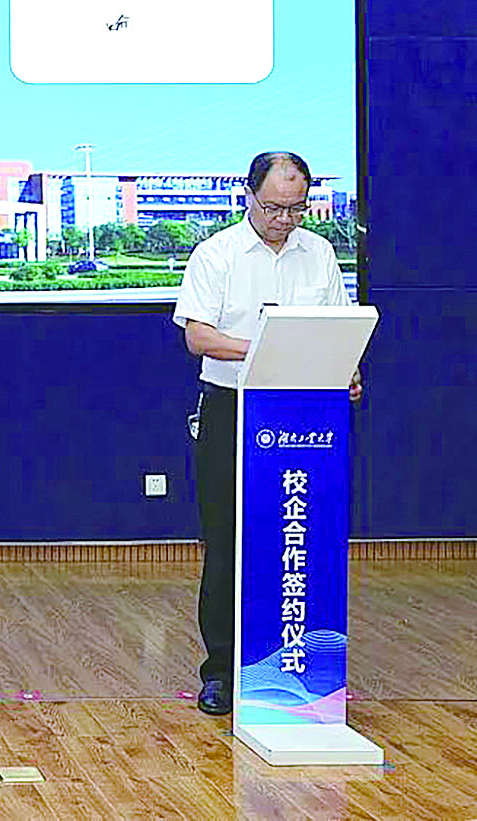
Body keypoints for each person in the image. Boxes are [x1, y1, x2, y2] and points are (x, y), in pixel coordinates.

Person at [172, 150, 360, 718]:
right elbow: (199, 337)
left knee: (299, 538)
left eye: (296, 208)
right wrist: (269, 346)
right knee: (228, 542)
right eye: (274, 207)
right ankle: (222, 672)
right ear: (248, 196)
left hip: (304, 414)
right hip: (231, 408)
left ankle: (297, 665)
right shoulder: (217, 254)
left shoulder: (319, 253)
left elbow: (336, 326)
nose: (284, 219)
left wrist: (346, 368)